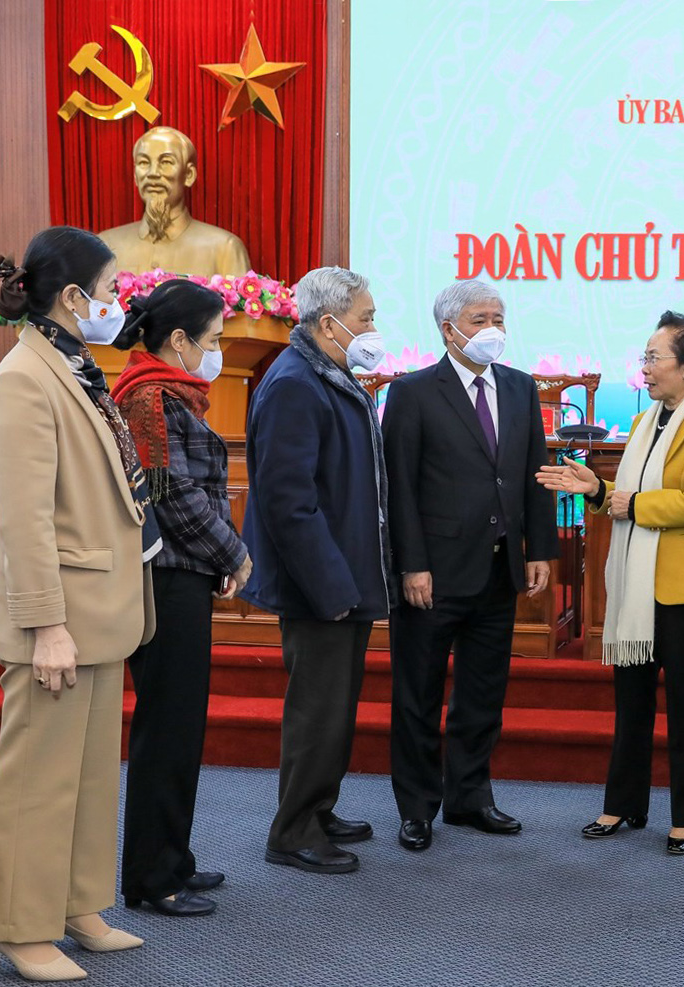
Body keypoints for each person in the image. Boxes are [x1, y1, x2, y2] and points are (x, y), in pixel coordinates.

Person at [0, 227, 159, 981]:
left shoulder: (74, 365)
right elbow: (23, 521)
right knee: (39, 780)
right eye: (111, 290)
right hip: (58, 618)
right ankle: (19, 927)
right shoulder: (23, 379)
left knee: (87, 776)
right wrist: (46, 624)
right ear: (75, 296)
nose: (119, 303)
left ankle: (78, 904)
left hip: (100, 611)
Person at [536, 312, 684, 855]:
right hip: (635, 582)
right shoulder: (649, 421)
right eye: (644, 357)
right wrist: (595, 490)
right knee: (631, 699)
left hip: (683, 587)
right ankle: (623, 803)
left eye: (654, 357)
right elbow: (627, 498)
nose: (644, 368)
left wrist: (629, 504)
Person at [382, 280, 558, 852]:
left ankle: (470, 797)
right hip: (432, 573)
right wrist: (411, 564)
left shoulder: (520, 386)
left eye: (498, 318)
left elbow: (533, 472)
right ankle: (416, 808)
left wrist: (540, 549)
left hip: (499, 567)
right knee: (418, 694)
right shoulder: (411, 392)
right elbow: (399, 487)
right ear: (448, 329)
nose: (493, 329)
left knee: (483, 694)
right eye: (480, 319)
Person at [240, 266, 395, 875]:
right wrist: (331, 586)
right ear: (329, 324)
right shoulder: (294, 383)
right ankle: (294, 831)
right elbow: (288, 501)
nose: (373, 328)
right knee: (317, 711)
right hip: (319, 584)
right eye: (366, 318)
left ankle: (318, 809)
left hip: (342, 576)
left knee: (335, 708)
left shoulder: (327, 372)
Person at [110, 279, 252, 917]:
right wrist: (233, 553)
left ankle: (175, 859)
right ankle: (152, 877)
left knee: (181, 724)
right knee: (167, 728)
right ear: (178, 340)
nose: (219, 351)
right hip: (166, 580)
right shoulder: (148, 396)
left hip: (183, 573)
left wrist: (215, 557)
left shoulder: (169, 392)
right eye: (214, 339)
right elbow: (171, 494)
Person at [98, 126, 252, 277]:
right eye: (144, 163)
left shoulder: (225, 249)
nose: (152, 173)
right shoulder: (105, 246)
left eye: (166, 162)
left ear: (189, 175)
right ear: (135, 176)